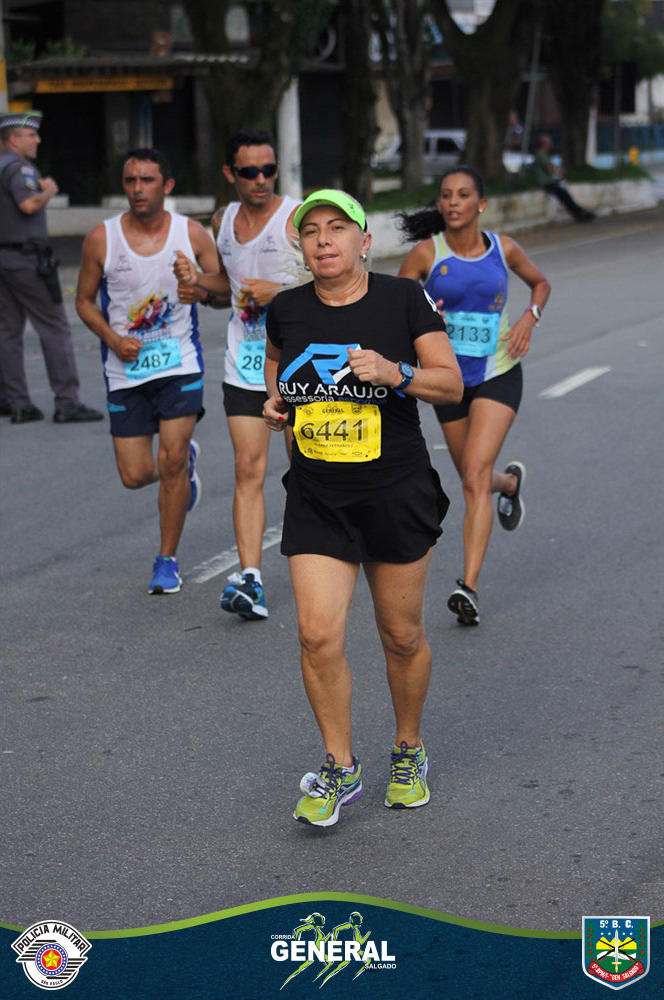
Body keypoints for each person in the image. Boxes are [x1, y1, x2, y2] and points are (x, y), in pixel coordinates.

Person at [263, 189, 463, 827]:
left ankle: (408, 749)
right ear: (302, 246)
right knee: (316, 634)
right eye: (311, 231)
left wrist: (394, 371)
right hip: (317, 496)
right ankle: (340, 764)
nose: (323, 239)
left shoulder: (402, 299)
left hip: (394, 492)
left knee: (401, 636)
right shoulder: (287, 310)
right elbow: (277, 370)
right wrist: (277, 405)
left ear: (364, 241)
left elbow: (450, 382)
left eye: (337, 228)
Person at [398, 165, 551, 625]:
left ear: (480, 204)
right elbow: (397, 307)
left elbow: (540, 283)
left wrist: (529, 318)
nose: (453, 202)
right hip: (448, 381)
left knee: (474, 474)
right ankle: (510, 484)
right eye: (446, 195)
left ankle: (468, 587)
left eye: (463, 195)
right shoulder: (427, 254)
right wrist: (426, 315)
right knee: (473, 475)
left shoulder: (504, 249)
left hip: (498, 372)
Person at [76, 147, 220, 594]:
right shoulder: (102, 239)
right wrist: (112, 339)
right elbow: (83, 301)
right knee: (135, 474)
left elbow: (223, 288)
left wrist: (198, 285)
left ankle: (166, 561)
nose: (138, 189)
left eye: (147, 180)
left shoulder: (189, 233)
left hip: (180, 363)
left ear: (167, 185)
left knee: (169, 460)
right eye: (131, 180)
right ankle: (184, 463)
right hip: (126, 370)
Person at [173, 128, 301, 621]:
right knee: (248, 468)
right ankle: (251, 579)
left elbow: (337, 278)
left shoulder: (297, 219)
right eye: (250, 171)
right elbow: (229, 288)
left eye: (269, 169)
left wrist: (281, 291)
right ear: (231, 174)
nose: (262, 179)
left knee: (306, 468)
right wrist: (199, 286)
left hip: (299, 365)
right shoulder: (223, 221)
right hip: (245, 363)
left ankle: (327, 557)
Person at [0, 110, 104, 424]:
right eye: (31, 135)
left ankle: (15, 401)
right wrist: (48, 191)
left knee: (7, 330)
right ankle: (67, 402)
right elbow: (28, 204)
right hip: (26, 259)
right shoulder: (19, 169)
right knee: (55, 327)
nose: (38, 140)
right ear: (14, 139)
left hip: (2, 258)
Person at [533, 134, 595, 222]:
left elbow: (552, 168)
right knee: (565, 195)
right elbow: (550, 169)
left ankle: (579, 212)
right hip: (547, 183)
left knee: (565, 195)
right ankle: (580, 213)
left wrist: (556, 169)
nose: (550, 145)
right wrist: (557, 170)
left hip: (550, 182)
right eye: (549, 143)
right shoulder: (541, 155)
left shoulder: (543, 155)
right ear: (544, 144)